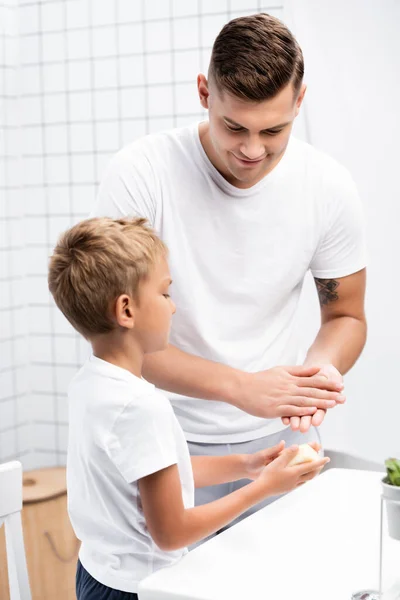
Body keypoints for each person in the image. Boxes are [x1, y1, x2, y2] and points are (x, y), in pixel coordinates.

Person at [91, 13, 366, 521]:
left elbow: (345, 317)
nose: (252, 149)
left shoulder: (328, 187)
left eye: (274, 130)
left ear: (300, 101)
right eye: (233, 126)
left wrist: (317, 378)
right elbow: (113, 339)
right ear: (204, 93)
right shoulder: (141, 175)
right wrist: (242, 386)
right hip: (161, 446)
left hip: (281, 445)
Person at [47, 216, 329, 599]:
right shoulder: (142, 406)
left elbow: (152, 476)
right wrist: (264, 488)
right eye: (165, 294)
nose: (174, 308)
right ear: (126, 311)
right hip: (141, 590)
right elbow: (171, 533)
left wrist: (246, 466)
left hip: (97, 576)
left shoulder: (90, 384)